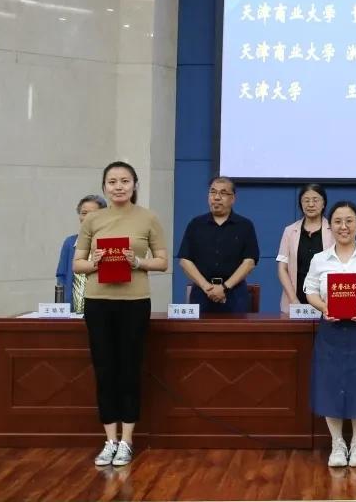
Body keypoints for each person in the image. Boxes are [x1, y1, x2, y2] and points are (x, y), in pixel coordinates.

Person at [72, 161, 169, 468]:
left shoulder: (148, 218)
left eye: (125, 181)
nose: (118, 186)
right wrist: (95, 262)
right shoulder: (93, 219)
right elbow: (77, 264)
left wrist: (137, 262)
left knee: (129, 368)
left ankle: (127, 440)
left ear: (134, 185)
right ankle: (109, 440)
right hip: (98, 302)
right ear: (104, 186)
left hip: (134, 301)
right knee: (104, 369)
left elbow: (162, 261)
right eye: (112, 181)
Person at [304, 201, 356, 468]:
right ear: (330, 226)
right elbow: (310, 291)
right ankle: (337, 443)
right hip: (330, 330)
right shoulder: (319, 259)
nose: (344, 226)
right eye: (338, 221)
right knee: (330, 385)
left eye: (349, 221)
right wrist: (323, 307)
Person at [176, 176, 259, 313]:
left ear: (233, 198)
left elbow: (249, 262)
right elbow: (185, 261)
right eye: (213, 192)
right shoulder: (196, 224)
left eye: (223, 193)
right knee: (199, 328)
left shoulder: (245, 226)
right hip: (202, 292)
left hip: (235, 294)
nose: (216, 197)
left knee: (236, 328)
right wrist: (207, 287)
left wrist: (224, 287)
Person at [276, 184, 334, 311]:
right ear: (301, 204)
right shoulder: (290, 231)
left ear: (323, 203)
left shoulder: (334, 230)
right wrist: (293, 300)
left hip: (326, 302)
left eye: (315, 200)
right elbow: (282, 268)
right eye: (306, 200)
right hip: (295, 300)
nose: (311, 204)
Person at [56, 195, 107, 314]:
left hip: (100, 311)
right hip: (72, 312)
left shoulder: (109, 243)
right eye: (84, 213)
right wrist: (63, 308)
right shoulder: (70, 242)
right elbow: (62, 276)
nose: (87, 218)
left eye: (93, 214)